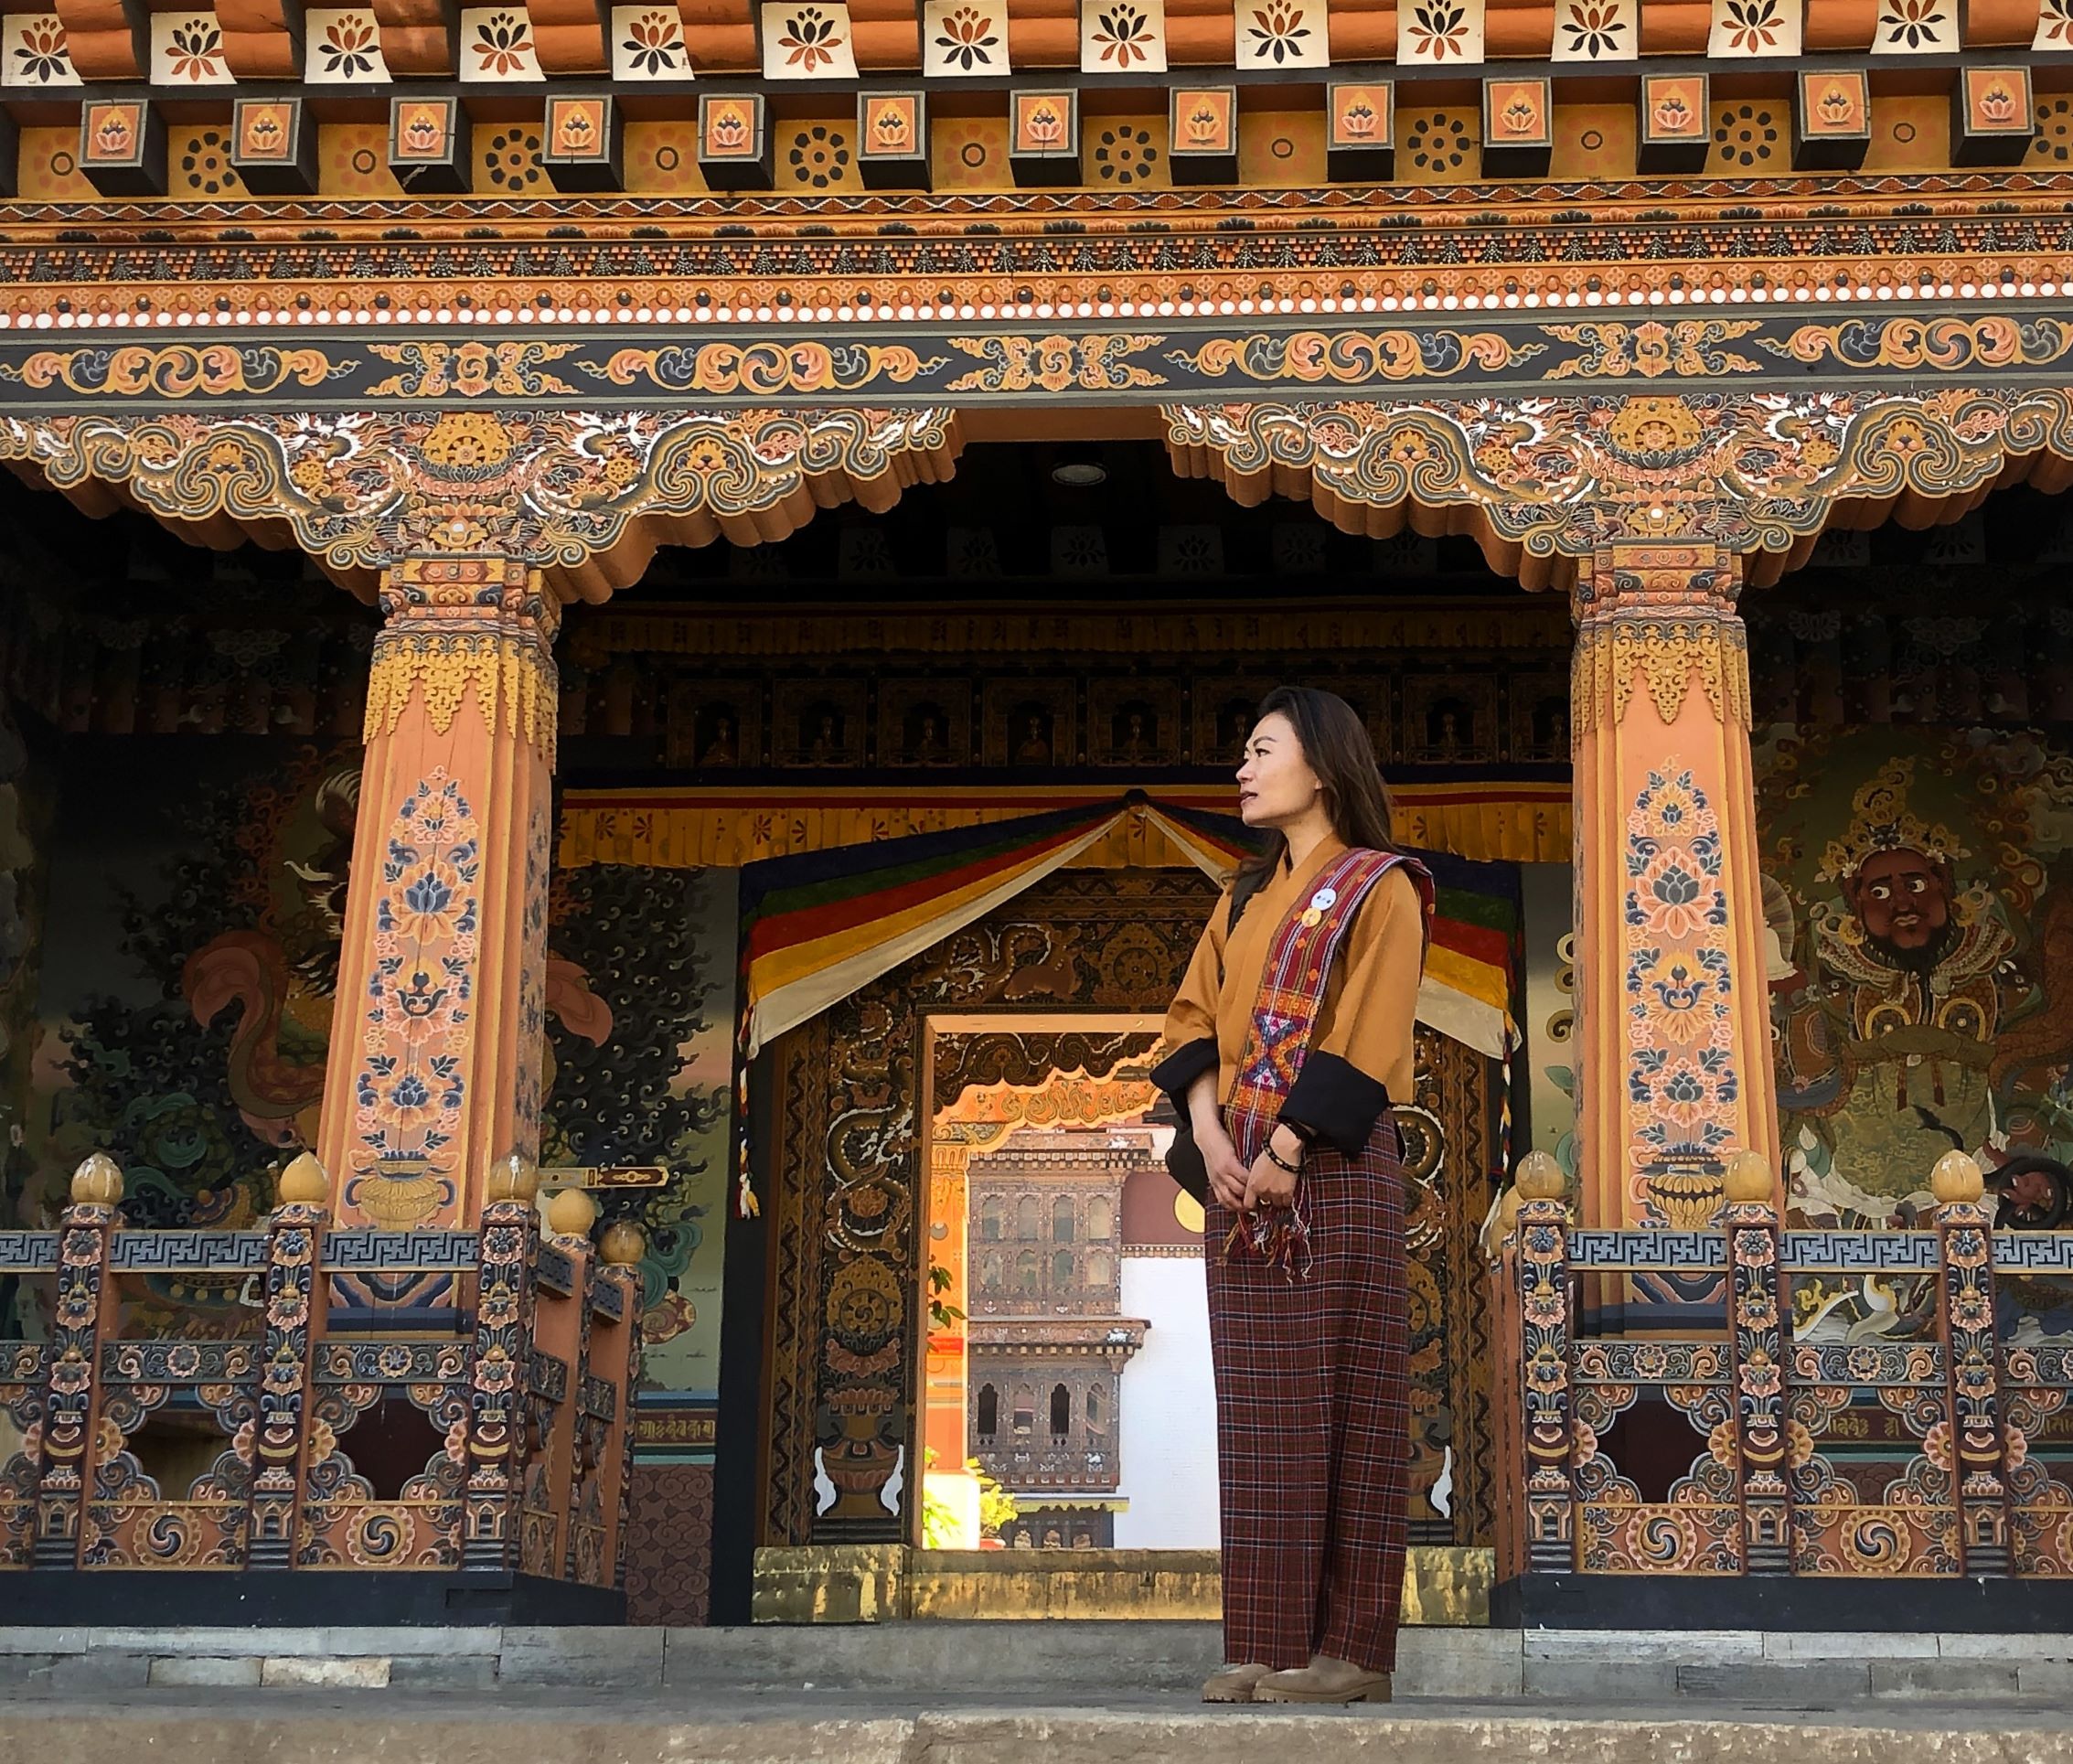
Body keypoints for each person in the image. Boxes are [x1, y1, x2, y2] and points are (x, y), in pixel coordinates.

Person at [1152, 685, 1431, 1706]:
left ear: (1319, 766)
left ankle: (1351, 1654)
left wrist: (1290, 1141)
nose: (1241, 768)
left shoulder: (1380, 888)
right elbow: (1188, 1019)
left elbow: (1369, 1023)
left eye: (1259, 750)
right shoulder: (1237, 898)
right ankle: (1263, 1643)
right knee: (1261, 1415)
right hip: (1236, 1181)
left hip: (1337, 1169)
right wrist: (1210, 1134)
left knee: (1349, 1403)